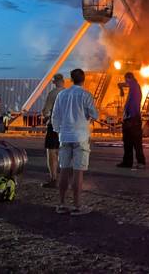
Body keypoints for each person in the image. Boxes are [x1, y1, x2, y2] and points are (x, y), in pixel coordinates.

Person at [51, 69, 98, 216]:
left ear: (71, 79)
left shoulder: (61, 94)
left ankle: (61, 204)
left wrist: (59, 130)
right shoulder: (86, 95)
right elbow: (94, 114)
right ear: (83, 79)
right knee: (78, 172)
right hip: (80, 137)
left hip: (64, 136)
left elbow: (55, 116)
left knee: (64, 170)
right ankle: (77, 206)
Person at [40, 73, 65, 188]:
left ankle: (54, 178)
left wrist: (45, 114)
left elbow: (46, 111)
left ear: (55, 82)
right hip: (67, 127)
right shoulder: (68, 93)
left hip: (54, 126)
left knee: (52, 152)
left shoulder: (53, 93)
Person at [117, 72, 146, 169]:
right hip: (130, 119)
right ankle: (127, 162)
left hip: (133, 119)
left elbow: (128, 83)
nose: (126, 82)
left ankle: (140, 162)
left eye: (126, 80)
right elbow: (124, 84)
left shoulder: (134, 85)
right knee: (128, 142)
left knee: (136, 142)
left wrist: (121, 86)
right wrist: (120, 87)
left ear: (129, 78)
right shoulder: (134, 88)